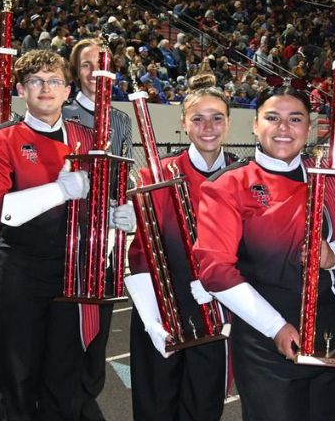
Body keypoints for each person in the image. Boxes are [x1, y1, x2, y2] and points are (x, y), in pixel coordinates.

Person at [0, 49, 128, 420]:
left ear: (67, 89)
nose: (46, 88)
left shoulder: (88, 138)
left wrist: (115, 215)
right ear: (22, 90)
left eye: (54, 81)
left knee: (68, 377)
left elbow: (95, 200)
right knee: (18, 376)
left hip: (77, 269)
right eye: (36, 81)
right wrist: (59, 191)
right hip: (23, 271)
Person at [193, 84, 335, 421]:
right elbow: (215, 271)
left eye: (295, 119)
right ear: (255, 124)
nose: (284, 128)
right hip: (265, 339)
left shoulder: (331, 179)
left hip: (328, 336)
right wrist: (275, 327)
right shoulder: (229, 184)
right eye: (272, 118)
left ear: (308, 128)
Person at [126, 72, 238, 421]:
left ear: (229, 123)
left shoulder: (244, 176)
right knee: (155, 407)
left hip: (216, 317)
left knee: (203, 409)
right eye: (198, 118)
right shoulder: (156, 175)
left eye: (217, 118)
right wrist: (150, 318)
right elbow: (142, 250)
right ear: (184, 124)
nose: (208, 126)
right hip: (162, 310)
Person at [63, 38, 133, 421]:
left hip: (104, 242)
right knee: (67, 331)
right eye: (86, 65)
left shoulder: (121, 120)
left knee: (98, 331)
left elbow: (127, 173)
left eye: (100, 64)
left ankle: (87, 399)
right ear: (76, 71)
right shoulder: (64, 112)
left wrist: (124, 207)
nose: (94, 73)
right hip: (68, 238)